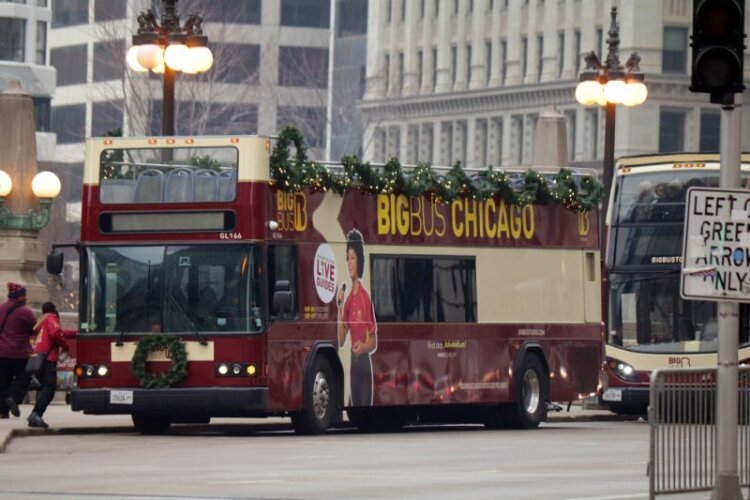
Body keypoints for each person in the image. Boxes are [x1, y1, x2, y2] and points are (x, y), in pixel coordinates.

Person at [337, 229, 377, 406]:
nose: (349, 263)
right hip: (353, 365)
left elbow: (373, 342)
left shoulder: (364, 297)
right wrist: (339, 307)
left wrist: (363, 347)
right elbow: (341, 339)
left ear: (359, 260)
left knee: (364, 406)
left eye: (352, 258)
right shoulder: (348, 300)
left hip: (363, 362)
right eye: (347, 258)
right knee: (355, 407)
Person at [27, 301, 77, 428]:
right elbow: (56, 334)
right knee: (49, 388)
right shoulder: (52, 318)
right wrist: (66, 346)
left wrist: (75, 332)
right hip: (48, 359)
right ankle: (36, 414)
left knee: (45, 388)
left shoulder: (44, 321)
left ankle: (35, 415)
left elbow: (60, 331)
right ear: (54, 309)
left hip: (39, 358)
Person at [0, 282, 37, 419]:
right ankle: (14, 398)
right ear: (18, 297)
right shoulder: (26, 311)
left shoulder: (1, 308)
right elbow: (34, 329)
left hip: (1, 352)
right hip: (19, 352)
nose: (26, 298)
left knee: (3, 381)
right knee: (24, 377)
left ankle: (2, 411)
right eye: (24, 295)